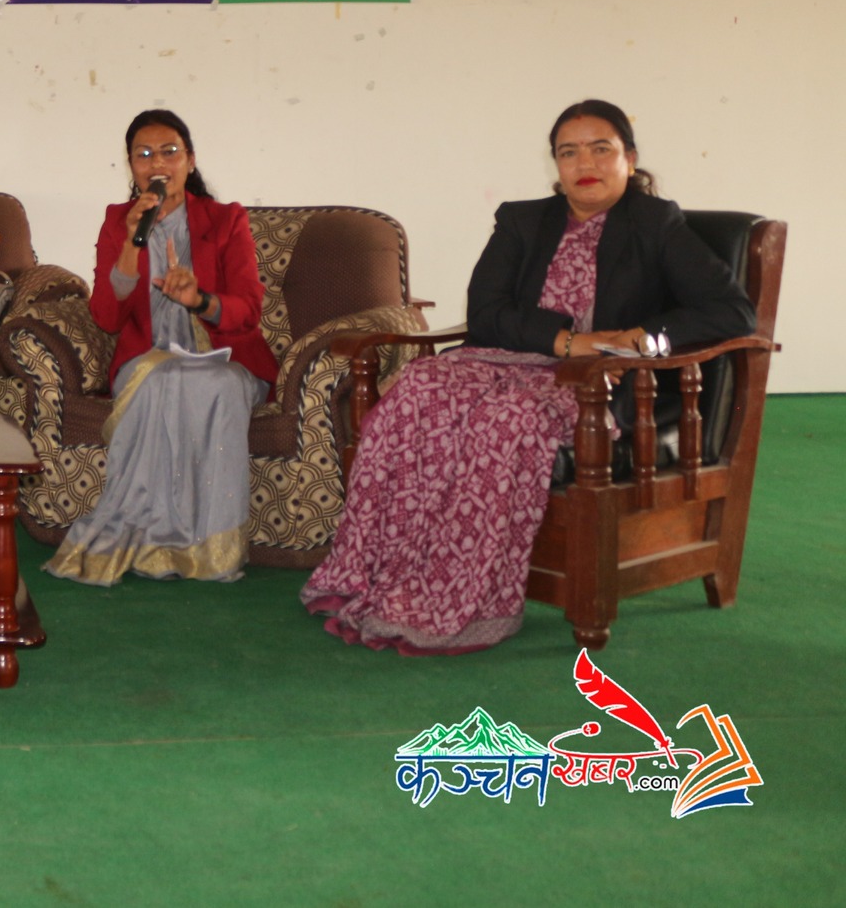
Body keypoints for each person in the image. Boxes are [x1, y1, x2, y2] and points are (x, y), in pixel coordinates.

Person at [303, 99, 758, 654]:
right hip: (509, 356)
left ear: (629, 158)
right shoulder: (522, 220)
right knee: (417, 390)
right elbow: (487, 311)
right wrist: (564, 339)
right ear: (555, 165)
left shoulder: (656, 223)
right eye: (569, 152)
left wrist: (640, 335)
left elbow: (732, 312)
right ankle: (371, 572)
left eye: (600, 148)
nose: (584, 162)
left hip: (595, 382)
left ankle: (459, 597)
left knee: (507, 418)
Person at [44, 109, 277, 586]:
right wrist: (133, 241)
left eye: (170, 151)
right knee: (165, 378)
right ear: (130, 167)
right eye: (143, 154)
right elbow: (107, 317)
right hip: (149, 358)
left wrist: (200, 300)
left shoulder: (227, 219)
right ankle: (151, 546)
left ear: (190, 161)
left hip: (226, 357)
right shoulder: (117, 222)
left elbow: (248, 308)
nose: (158, 163)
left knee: (215, 384)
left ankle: (211, 552)